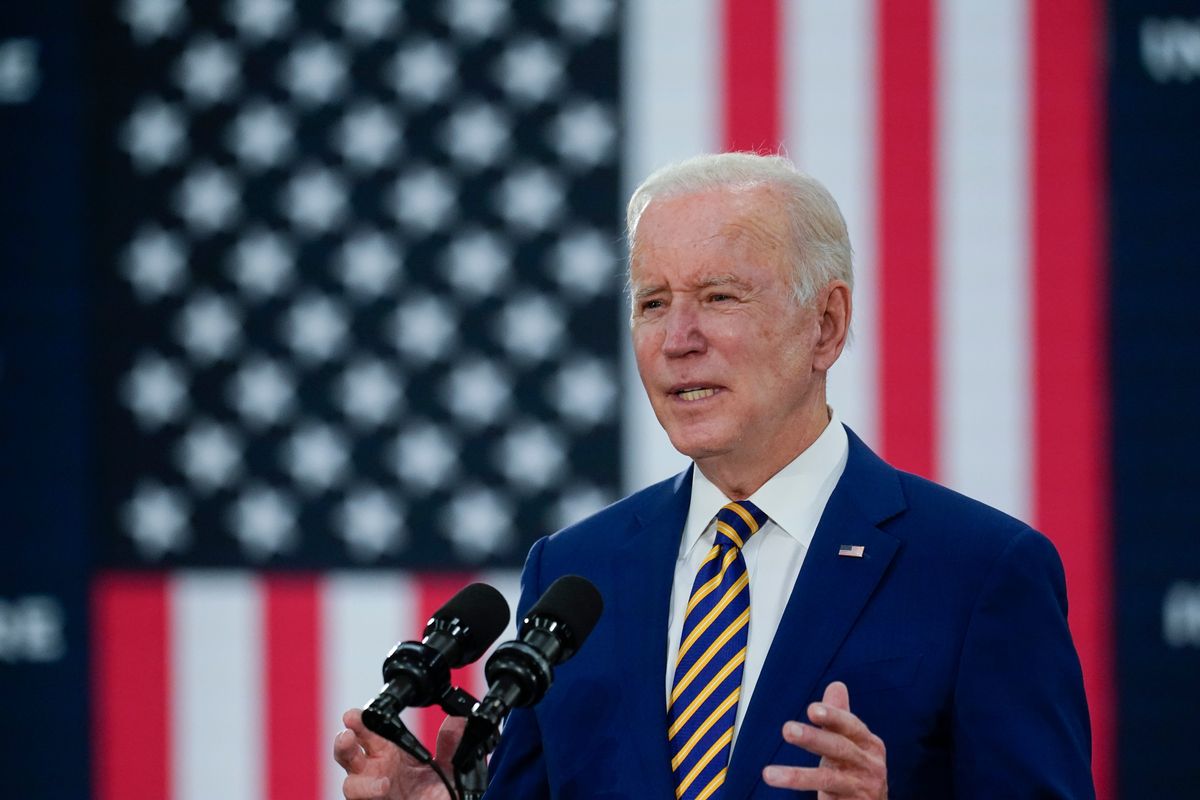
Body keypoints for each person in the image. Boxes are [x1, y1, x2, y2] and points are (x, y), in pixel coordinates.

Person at [334, 152, 1095, 799]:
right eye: (652, 302)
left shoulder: (980, 572)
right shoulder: (575, 573)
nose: (677, 339)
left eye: (719, 297)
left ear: (824, 327)